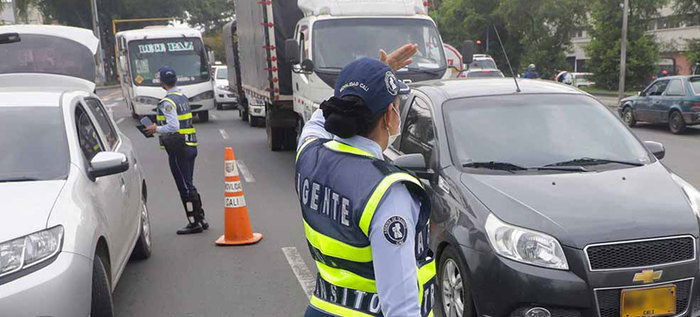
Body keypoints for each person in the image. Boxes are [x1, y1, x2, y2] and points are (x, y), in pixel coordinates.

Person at [295, 44, 436, 317]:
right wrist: (374, 78)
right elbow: (401, 306)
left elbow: (319, 119)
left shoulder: (308, 154)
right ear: (389, 117)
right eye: (397, 104)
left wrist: (369, 78)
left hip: (321, 309)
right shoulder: (387, 193)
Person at [145, 66, 209, 235]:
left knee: (184, 187)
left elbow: (174, 126)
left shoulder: (167, 102)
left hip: (178, 149)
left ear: (162, 82)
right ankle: (201, 218)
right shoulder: (181, 97)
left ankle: (193, 222)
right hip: (191, 146)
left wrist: (155, 128)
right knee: (189, 183)